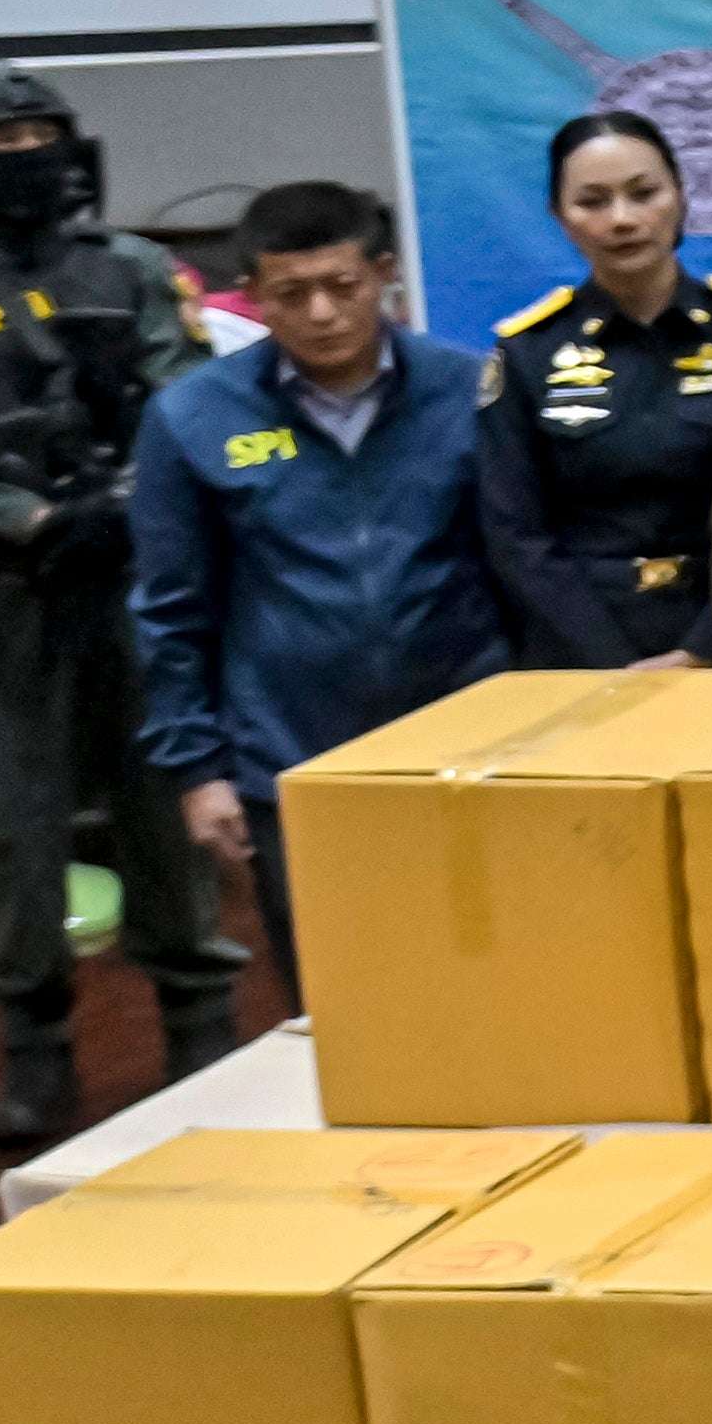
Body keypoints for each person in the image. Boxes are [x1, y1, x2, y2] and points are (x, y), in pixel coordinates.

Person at [0, 62, 254, 1148]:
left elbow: (186, 394)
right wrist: (19, 516)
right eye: (4, 140)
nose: (32, 157)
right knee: (11, 823)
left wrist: (129, 502)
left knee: (165, 801)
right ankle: (35, 1047)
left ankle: (200, 1026)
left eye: (45, 135)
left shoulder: (127, 268)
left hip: (132, 571)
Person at [127, 181, 509, 995]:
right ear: (256, 297)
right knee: (336, 1001)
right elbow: (170, 608)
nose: (324, 313)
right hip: (294, 761)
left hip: (469, 746)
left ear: (383, 275)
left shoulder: (470, 391)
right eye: (293, 294)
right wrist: (199, 770)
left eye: (344, 286)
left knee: (489, 981)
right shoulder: (194, 417)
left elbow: (522, 563)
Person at [471, 110, 712, 668]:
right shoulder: (527, 352)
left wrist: (700, 652)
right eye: (592, 202)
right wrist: (610, 664)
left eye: (644, 193)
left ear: (680, 196)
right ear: (559, 217)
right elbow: (515, 536)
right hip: (578, 653)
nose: (623, 219)